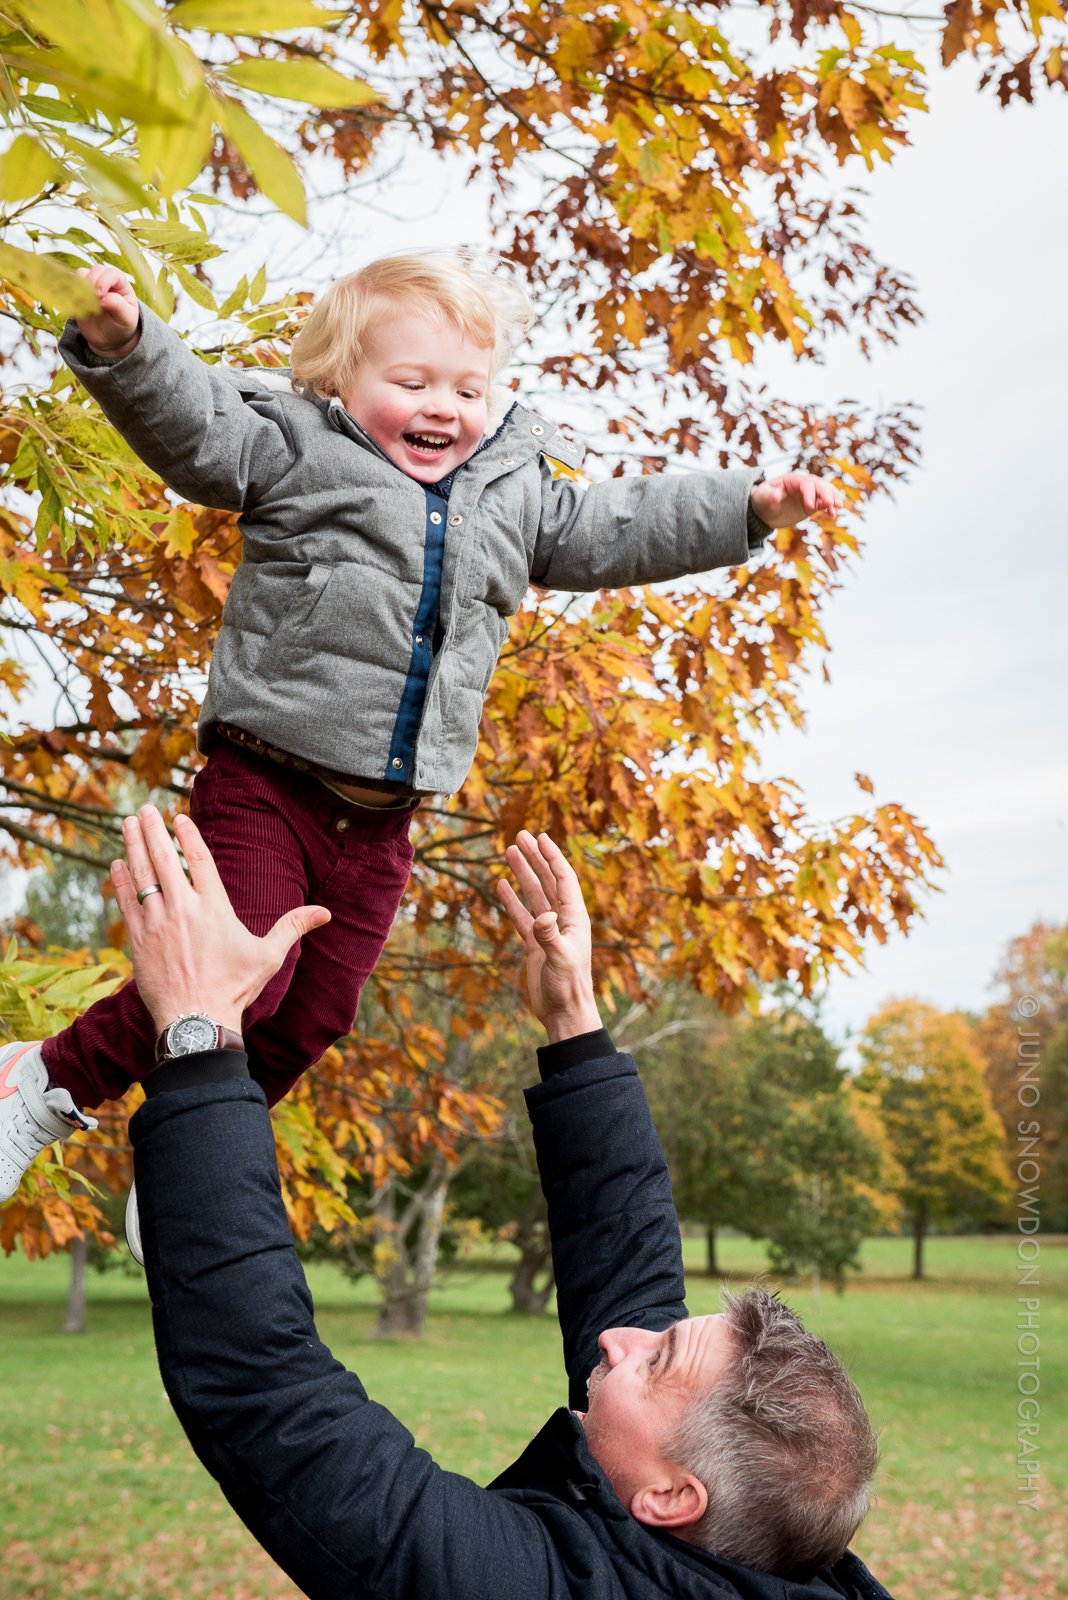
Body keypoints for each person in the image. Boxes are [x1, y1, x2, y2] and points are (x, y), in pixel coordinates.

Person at [0, 250, 844, 1234]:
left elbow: (619, 523)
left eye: (467, 387)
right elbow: (199, 423)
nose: (443, 407)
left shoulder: (512, 492)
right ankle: (41, 1083)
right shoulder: (292, 444)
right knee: (239, 981)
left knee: (313, 1018)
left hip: (386, 824)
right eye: (412, 383)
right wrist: (129, 343)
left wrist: (748, 508)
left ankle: (193, 1154)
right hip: (267, 783)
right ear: (339, 381)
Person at [107, 803, 892, 1598]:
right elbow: (630, 1271)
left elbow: (277, 1404)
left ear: (670, 1497)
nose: (622, 1339)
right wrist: (572, 1020)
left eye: (655, 1363)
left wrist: (199, 1033)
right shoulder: (752, 1554)